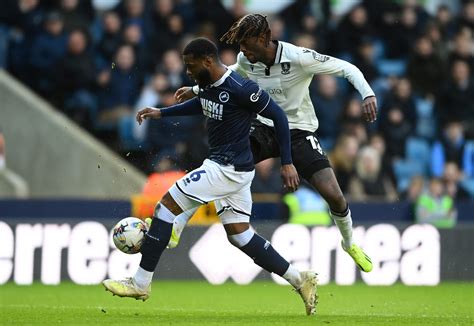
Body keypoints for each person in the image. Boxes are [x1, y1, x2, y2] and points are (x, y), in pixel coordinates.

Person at [103, 38, 319, 316]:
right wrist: (162, 113)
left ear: (207, 60)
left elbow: (278, 116)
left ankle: (141, 281)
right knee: (240, 236)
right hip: (233, 170)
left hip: (226, 168)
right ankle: (300, 279)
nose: (188, 71)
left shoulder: (241, 88)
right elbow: (203, 103)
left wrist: (287, 162)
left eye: (190, 65)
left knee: (165, 207)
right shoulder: (208, 85)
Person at [174, 14, 375, 273]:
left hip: (299, 132)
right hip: (263, 128)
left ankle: (349, 243)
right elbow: (231, 76)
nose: (242, 51)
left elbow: (347, 68)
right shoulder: (246, 59)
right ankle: (177, 222)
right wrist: (198, 90)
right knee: (220, 164)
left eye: (246, 44)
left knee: (334, 195)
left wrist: (367, 93)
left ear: (262, 39)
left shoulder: (300, 57)